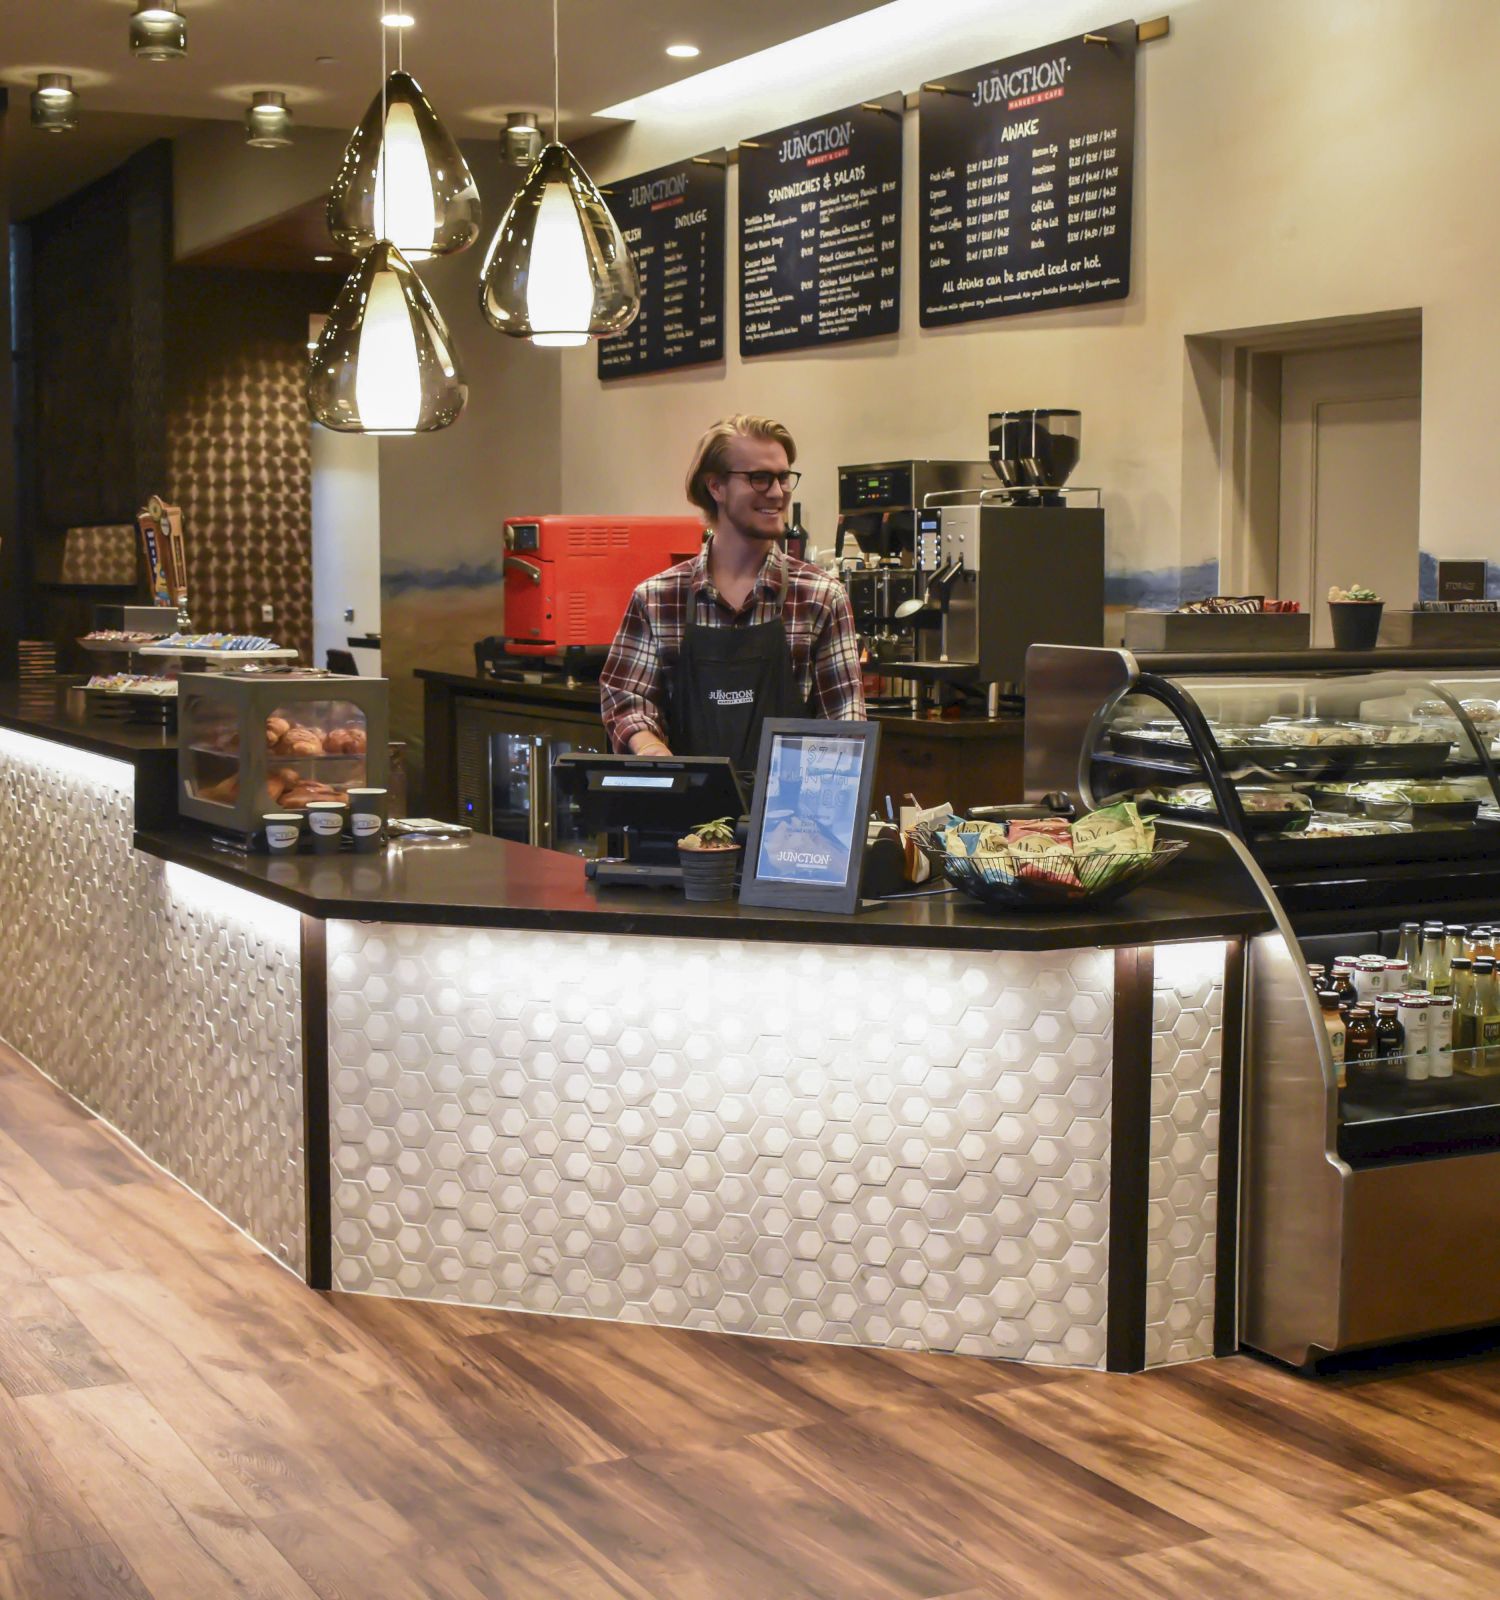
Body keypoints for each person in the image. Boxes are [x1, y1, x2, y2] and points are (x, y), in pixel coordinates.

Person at [599, 414, 865, 771]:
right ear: (716, 487)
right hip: (680, 815)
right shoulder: (658, 598)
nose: (777, 492)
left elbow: (844, 727)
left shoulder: (819, 598)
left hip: (786, 820)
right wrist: (651, 750)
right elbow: (626, 696)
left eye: (783, 478)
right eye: (759, 478)